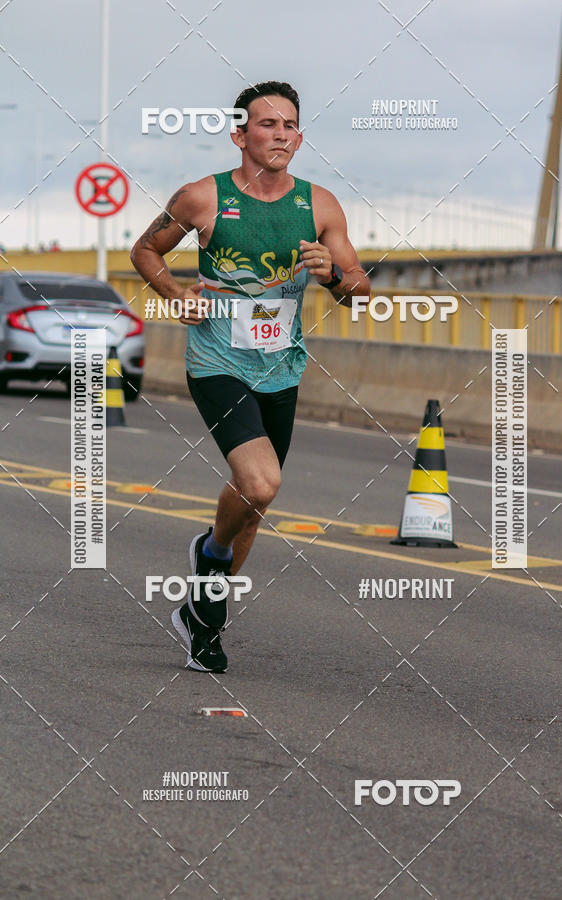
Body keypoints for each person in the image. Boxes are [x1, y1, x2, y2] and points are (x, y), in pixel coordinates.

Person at [131, 81, 370, 672]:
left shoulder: (321, 206)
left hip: (282, 367)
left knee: (253, 503)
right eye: (267, 124)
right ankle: (211, 565)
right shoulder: (200, 198)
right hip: (217, 362)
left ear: (300, 137)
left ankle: (201, 611)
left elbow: (360, 293)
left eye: (289, 125)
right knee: (261, 483)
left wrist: (334, 276)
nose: (280, 134)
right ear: (241, 135)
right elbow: (145, 249)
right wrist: (175, 294)